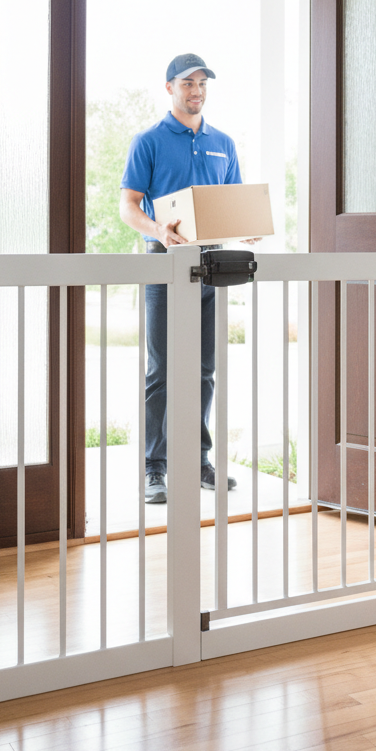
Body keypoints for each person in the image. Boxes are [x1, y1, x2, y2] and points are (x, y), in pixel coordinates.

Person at [120, 52, 242, 504]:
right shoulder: (148, 141)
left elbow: (233, 201)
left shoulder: (223, 143)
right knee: (162, 370)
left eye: (203, 83)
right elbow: (129, 205)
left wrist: (247, 224)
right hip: (163, 262)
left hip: (212, 263)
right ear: (169, 87)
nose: (197, 91)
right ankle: (154, 467)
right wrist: (158, 231)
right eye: (188, 83)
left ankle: (197, 460)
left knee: (204, 370)